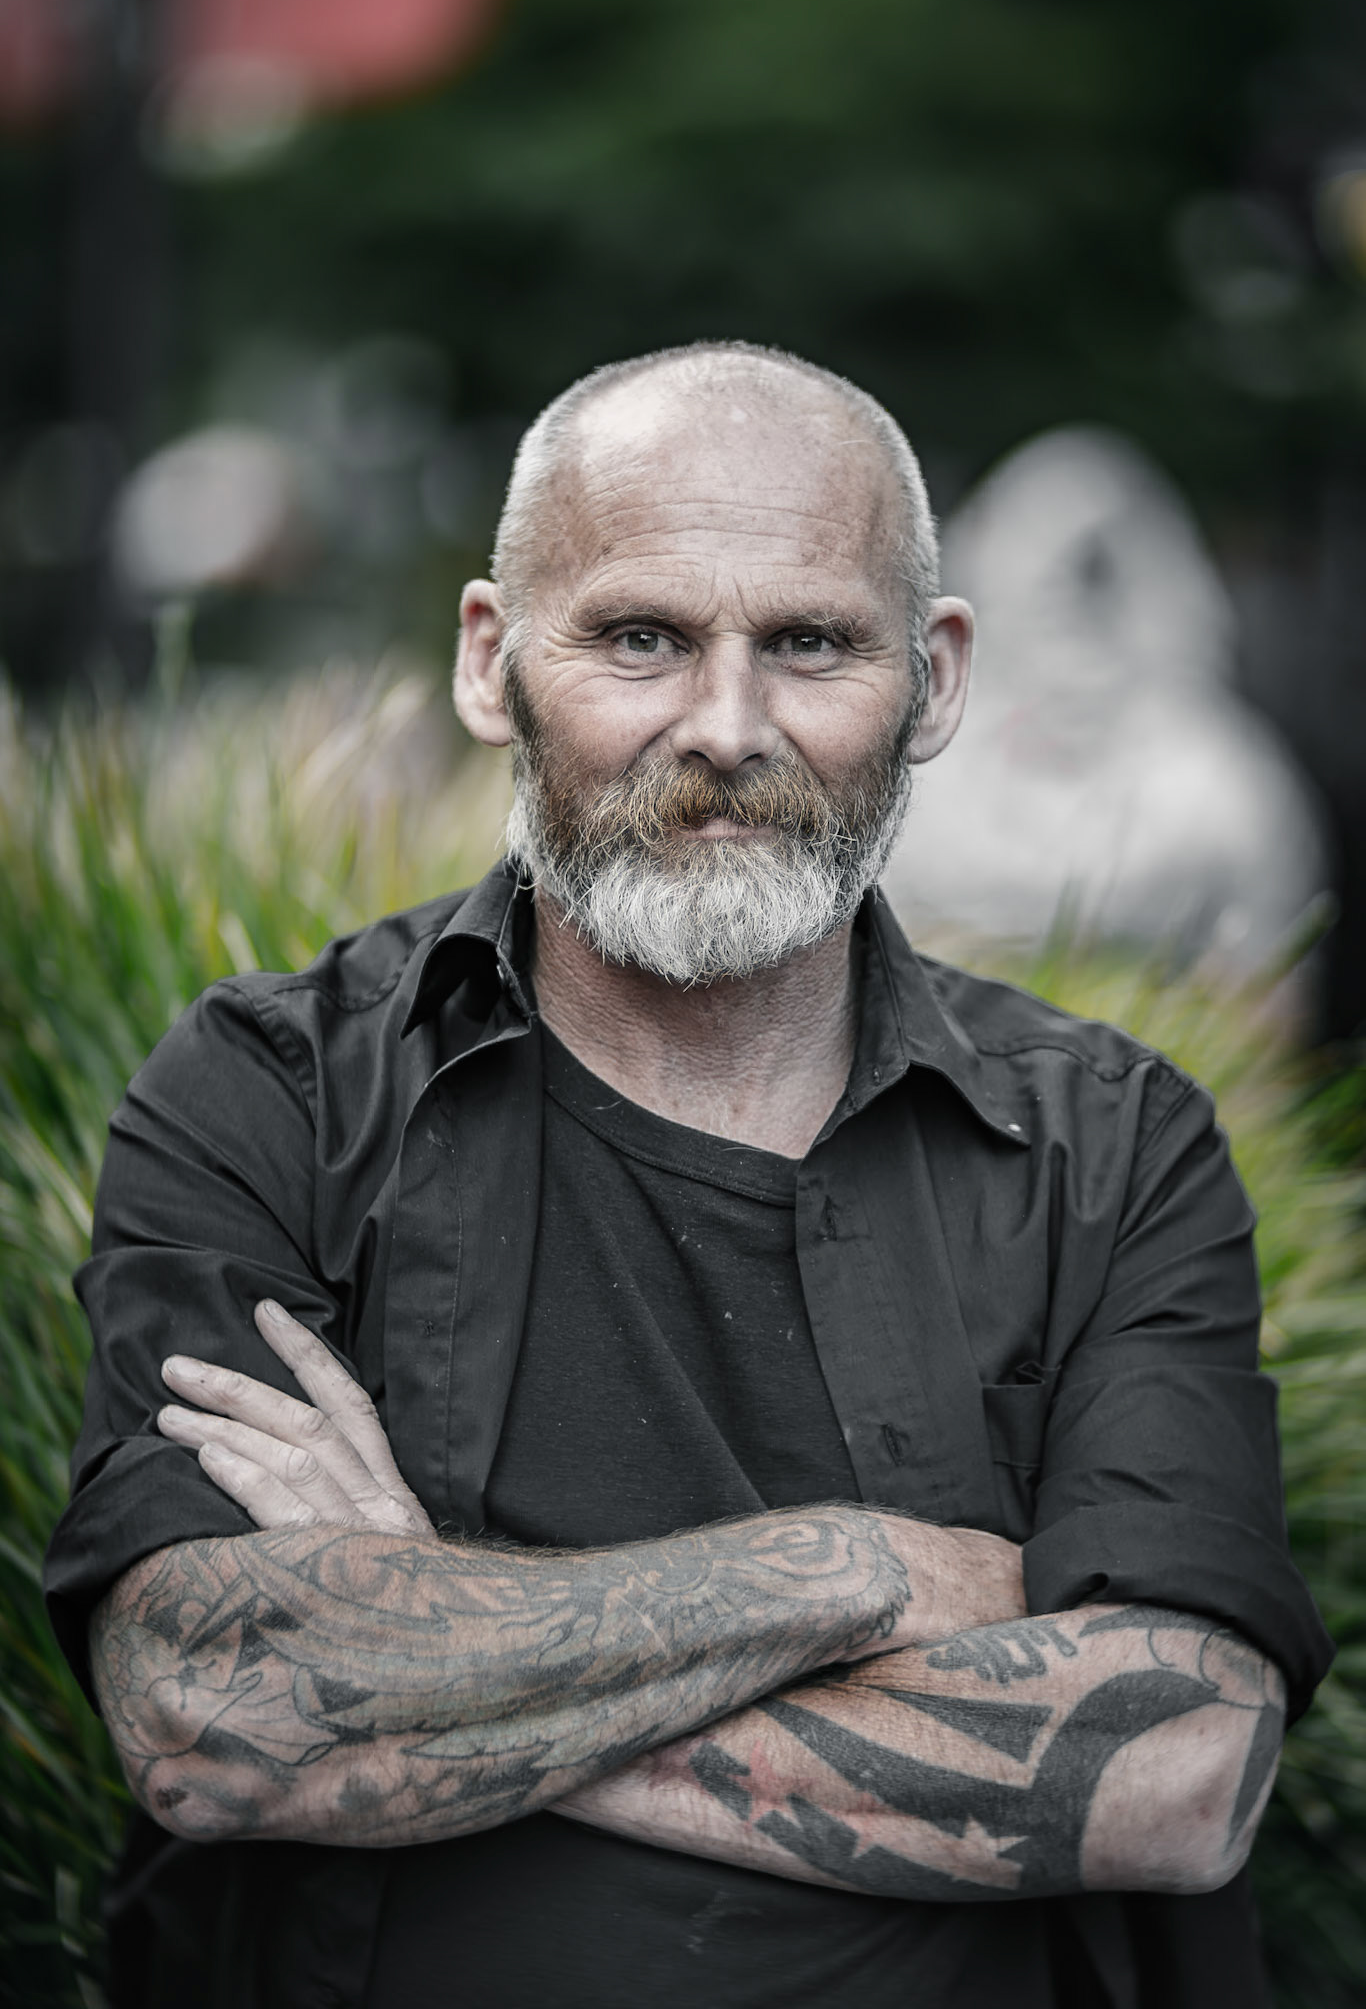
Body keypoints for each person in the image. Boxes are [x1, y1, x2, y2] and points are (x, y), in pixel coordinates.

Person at [45, 343, 1332, 2009]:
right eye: (640, 638)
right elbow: (213, 1717)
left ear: (934, 682)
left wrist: (416, 1653)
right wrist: (880, 1572)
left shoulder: (1109, 1147)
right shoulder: (275, 1096)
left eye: (808, 643)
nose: (725, 727)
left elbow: (1172, 1773)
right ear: (491, 663)